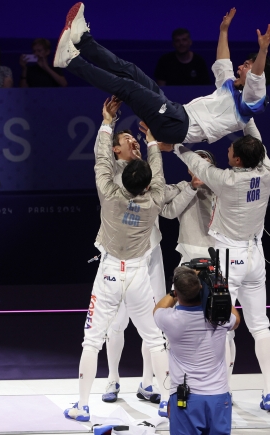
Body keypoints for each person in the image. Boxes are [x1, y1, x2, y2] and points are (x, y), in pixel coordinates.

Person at [63, 99, 171, 422]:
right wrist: (152, 142)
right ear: (147, 181)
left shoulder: (109, 195)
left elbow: (100, 160)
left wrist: (107, 121)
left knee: (91, 339)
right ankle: (167, 401)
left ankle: (82, 405)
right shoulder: (154, 199)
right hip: (139, 274)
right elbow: (160, 178)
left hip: (110, 271)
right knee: (155, 339)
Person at [95, 98, 200, 406]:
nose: (134, 143)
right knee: (116, 323)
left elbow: (159, 184)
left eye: (135, 140)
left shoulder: (147, 175)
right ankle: (112, 379)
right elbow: (100, 156)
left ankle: (146, 383)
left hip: (150, 253)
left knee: (154, 322)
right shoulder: (112, 172)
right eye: (128, 141)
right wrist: (107, 124)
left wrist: (152, 144)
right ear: (117, 150)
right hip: (116, 255)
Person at [168, 126, 270, 411]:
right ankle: (269, 393)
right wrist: (246, 116)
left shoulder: (226, 180)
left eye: (230, 151)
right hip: (256, 255)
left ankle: (223, 392)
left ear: (237, 160)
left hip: (231, 258)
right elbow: (259, 144)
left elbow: (195, 162)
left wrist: (175, 145)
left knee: (221, 327)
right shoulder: (267, 172)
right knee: (260, 326)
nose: (226, 151)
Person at [54, 4, 270, 146]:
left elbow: (256, 78)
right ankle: (83, 40)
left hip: (177, 126)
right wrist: (224, 31)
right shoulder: (229, 87)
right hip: (176, 113)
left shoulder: (252, 102)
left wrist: (263, 50)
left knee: (128, 88)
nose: (240, 67)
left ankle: (71, 61)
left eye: (246, 65)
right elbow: (223, 62)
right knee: (132, 72)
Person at [154, 266, 240, 434]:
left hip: (187, 399)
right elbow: (236, 320)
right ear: (200, 287)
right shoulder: (219, 319)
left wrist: (175, 291)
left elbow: (158, 309)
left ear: (177, 294)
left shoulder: (169, 320)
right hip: (218, 397)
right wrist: (220, 289)